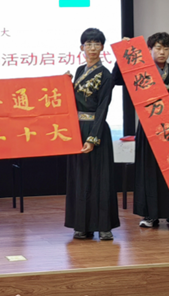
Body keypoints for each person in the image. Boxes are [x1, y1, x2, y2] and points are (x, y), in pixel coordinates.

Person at [113, 32, 169, 228]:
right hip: (148, 123)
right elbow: (117, 79)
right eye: (158, 48)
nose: (162, 52)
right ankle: (150, 215)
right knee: (149, 168)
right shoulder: (140, 69)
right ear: (149, 49)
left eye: (166, 49)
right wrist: (123, 52)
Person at [65, 28, 120, 240]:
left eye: (97, 44)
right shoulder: (79, 70)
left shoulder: (106, 75)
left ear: (102, 47)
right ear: (82, 47)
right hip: (77, 129)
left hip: (96, 130)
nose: (92, 48)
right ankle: (82, 225)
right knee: (80, 178)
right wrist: (65, 84)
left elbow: (103, 107)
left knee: (100, 178)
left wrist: (93, 138)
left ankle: (104, 226)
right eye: (88, 44)